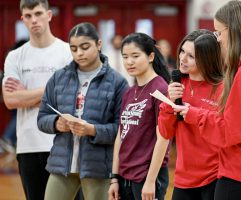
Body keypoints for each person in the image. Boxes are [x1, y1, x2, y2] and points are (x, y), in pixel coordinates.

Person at [172, 1, 241, 199]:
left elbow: (234, 131)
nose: (218, 39)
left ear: (232, 31)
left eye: (218, 32)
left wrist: (193, 114)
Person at [37, 22, 128, 200]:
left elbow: (123, 129)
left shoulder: (117, 82)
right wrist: (57, 123)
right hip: (62, 164)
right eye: (74, 48)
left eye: (85, 47)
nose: (79, 53)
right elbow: (42, 118)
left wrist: (92, 130)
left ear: (99, 45)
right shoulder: (59, 78)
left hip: (98, 167)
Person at [2, 0, 72, 199]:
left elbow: (69, 99)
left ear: (49, 15)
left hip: (63, 143)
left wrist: (27, 94)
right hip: (28, 145)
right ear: (22, 19)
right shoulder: (15, 57)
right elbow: (10, 100)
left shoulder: (67, 52)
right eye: (28, 15)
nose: (34, 20)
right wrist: (53, 92)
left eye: (38, 13)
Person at [158, 30, 223, 200]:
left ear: (207, 59)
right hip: (183, 178)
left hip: (215, 176)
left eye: (191, 56)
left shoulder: (222, 87)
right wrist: (168, 103)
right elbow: (165, 133)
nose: (182, 59)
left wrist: (194, 114)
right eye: (182, 52)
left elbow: (225, 130)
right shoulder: (177, 85)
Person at [108, 32, 171, 200]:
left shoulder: (161, 89)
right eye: (125, 56)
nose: (129, 62)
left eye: (135, 56)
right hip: (124, 176)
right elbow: (120, 136)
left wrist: (150, 181)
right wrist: (114, 177)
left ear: (150, 56)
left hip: (148, 176)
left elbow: (163, 139)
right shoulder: (129, 92)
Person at [0, 39, 28, 154]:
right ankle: (8, 138)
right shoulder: (15, 59)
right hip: (17, 96)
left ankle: (13, 140)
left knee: (18, 116)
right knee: (18, 116)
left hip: (19, 96)